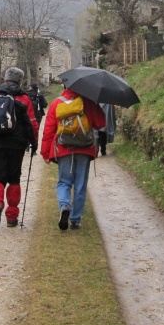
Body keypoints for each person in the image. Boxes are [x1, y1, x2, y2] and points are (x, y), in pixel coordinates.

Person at [0, 67, 39, 228]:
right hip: (17, 145)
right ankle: (12, 217)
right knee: (14, 179)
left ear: (5, 79)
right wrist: (34, 143)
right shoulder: (24, 98)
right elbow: (32, 123)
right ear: (20, 81)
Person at [40, 86, 105, 231]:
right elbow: (101, 123)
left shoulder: (57, 103)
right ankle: (75, 219)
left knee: (64, 182)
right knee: (80, 184)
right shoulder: (88, 102)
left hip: (64, 149)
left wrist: (45, 153)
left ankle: (64, 205)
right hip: (85, 148)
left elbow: (49, 130)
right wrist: (96, 105)